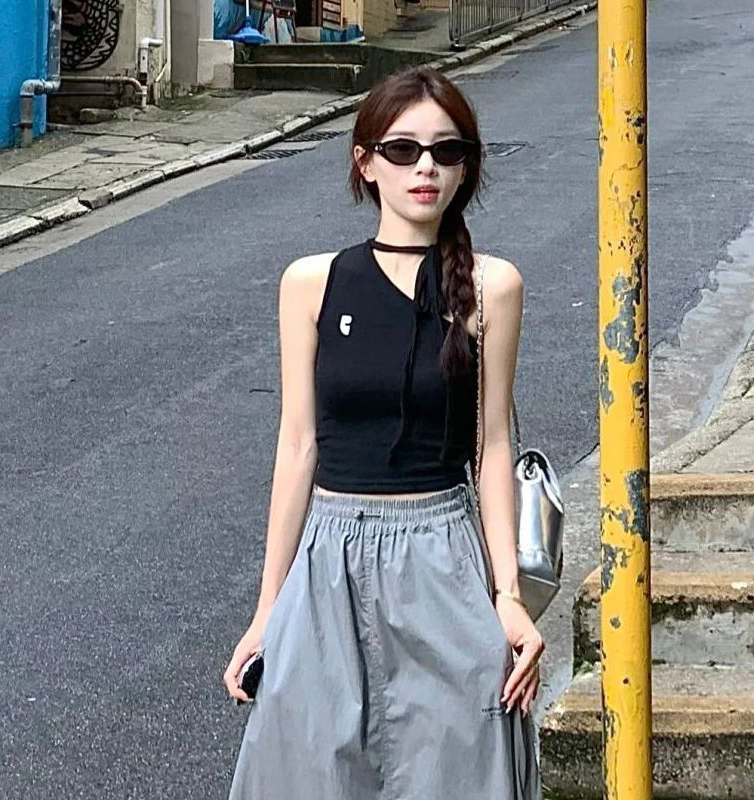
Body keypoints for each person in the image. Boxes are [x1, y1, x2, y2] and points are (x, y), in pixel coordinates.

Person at [223, 65, 546, 799]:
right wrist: (267, 610)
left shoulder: (492, 286)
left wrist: (508, 596)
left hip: (443, 555)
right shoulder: (311, 282)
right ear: (365, 162)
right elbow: (298, 444)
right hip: (328, 561)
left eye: (446, 150)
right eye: (402, 150)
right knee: (307, 769)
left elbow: (491, 447)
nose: (425, 167)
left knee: (459, 765)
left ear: (466, 168)